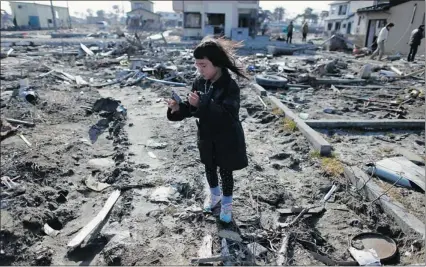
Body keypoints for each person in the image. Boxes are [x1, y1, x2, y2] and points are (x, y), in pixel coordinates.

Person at [165, 37, 249, 224]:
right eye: (197, 65)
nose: (199, 70)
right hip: (206, 136)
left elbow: (228, 114)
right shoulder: (199, 82)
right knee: (209, 168)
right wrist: (178, 108)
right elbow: (192, 106)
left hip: (227, 138)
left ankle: (227, 204)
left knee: (226, 172)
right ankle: (214, 196)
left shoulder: (230, 85)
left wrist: (202, 104)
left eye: (203, 65)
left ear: (216, 64)